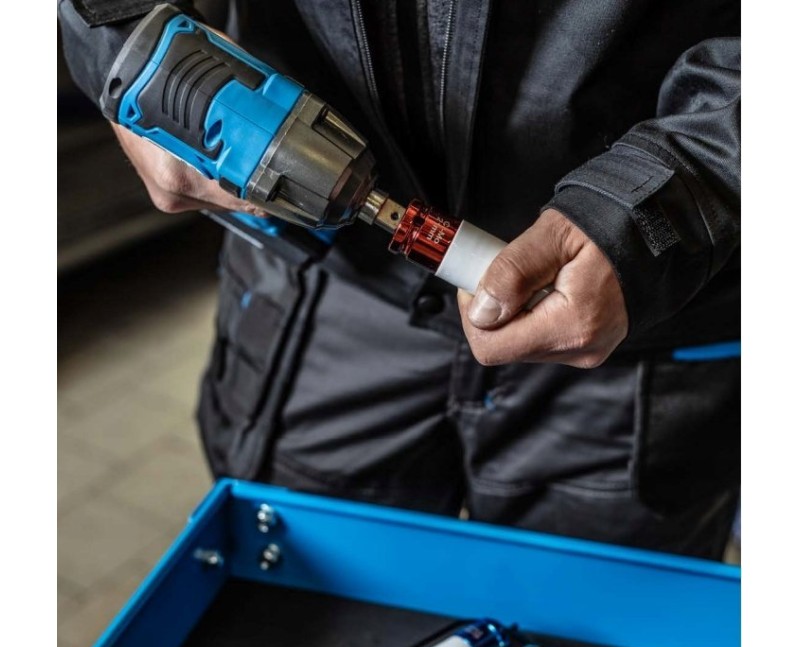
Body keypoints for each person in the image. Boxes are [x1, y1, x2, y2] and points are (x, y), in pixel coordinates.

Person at [58, 0, 740, 559]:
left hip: (645, 305)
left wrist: (667, 198)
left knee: (595, 643)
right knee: (302, 611)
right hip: (324, 284)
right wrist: (123, 43)